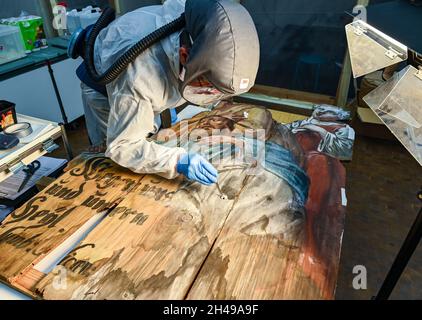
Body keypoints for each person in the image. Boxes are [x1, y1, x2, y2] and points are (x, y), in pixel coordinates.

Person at [79, 0, 260, 186]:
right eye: (207, 86)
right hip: (104, 88)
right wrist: (177, 161)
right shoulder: (140, 76)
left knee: (152, 137)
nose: (209, 94)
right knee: (111, 167)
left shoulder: (201, 26)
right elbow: (123, 147)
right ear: (184, 56)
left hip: (147, 77)